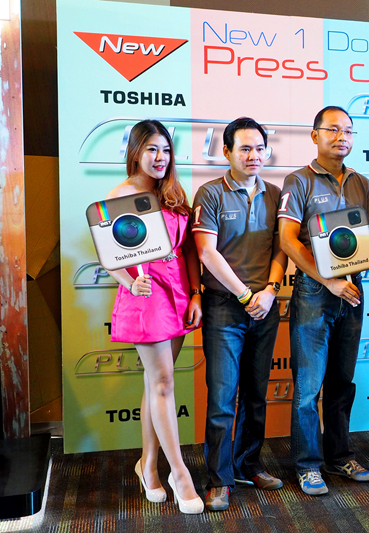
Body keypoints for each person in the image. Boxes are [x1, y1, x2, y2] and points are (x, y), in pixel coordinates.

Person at [106, 119, 204, 514]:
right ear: (135, 152)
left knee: (156, 383)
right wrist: (130, 284)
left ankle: (147, 465)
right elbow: (109, 255)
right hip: (145, 294)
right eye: (151, 149)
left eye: (165, 149)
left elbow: (189, 249)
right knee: (163, 383)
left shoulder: (174, 192)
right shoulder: (120, 195)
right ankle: (179, 474)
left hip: (178, 291)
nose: (160, 157)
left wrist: (195, 292)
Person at [278, 106, 369, 496]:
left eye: (348, 131)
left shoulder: (361, 183)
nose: (341, 137)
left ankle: (339, 456)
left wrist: (354, 276)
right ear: (315, 135)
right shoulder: (299, 180)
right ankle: (307, 465)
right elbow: (288, 241)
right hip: (314, 293)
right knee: (308, 389)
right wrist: (329, 281)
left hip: (352, 291)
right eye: (333, 130)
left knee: (341, 383)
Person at [192, 117, 288, 511]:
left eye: (259, 148)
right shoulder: (210, 193)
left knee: (256, 394)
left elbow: (281, 249)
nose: (253, 155)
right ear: (227, 151)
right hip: (224, 307)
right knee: (222, 398)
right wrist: (246, 294)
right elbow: (206, 252)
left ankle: (249, 465)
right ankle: (219, 478)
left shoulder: (275, 194)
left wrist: (270, 291)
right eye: (245, 148)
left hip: (265, 306)